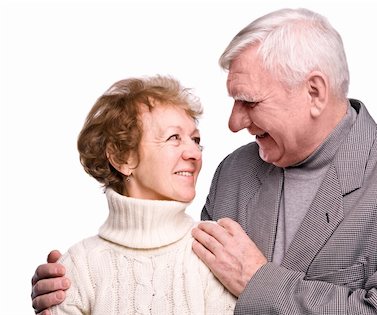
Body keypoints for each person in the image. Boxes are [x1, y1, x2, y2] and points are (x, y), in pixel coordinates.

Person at [32, 7, 377, 315]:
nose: (233, 123)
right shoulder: (235, 173)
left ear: (315, 93)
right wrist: (75, 284)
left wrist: (258, 282)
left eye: (249, 102)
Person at [32, 75, 236, 315]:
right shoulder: (78, 267)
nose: (194, 153)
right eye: (174, 138)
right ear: (122, 158)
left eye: (196, 140)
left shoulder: (214, 251)